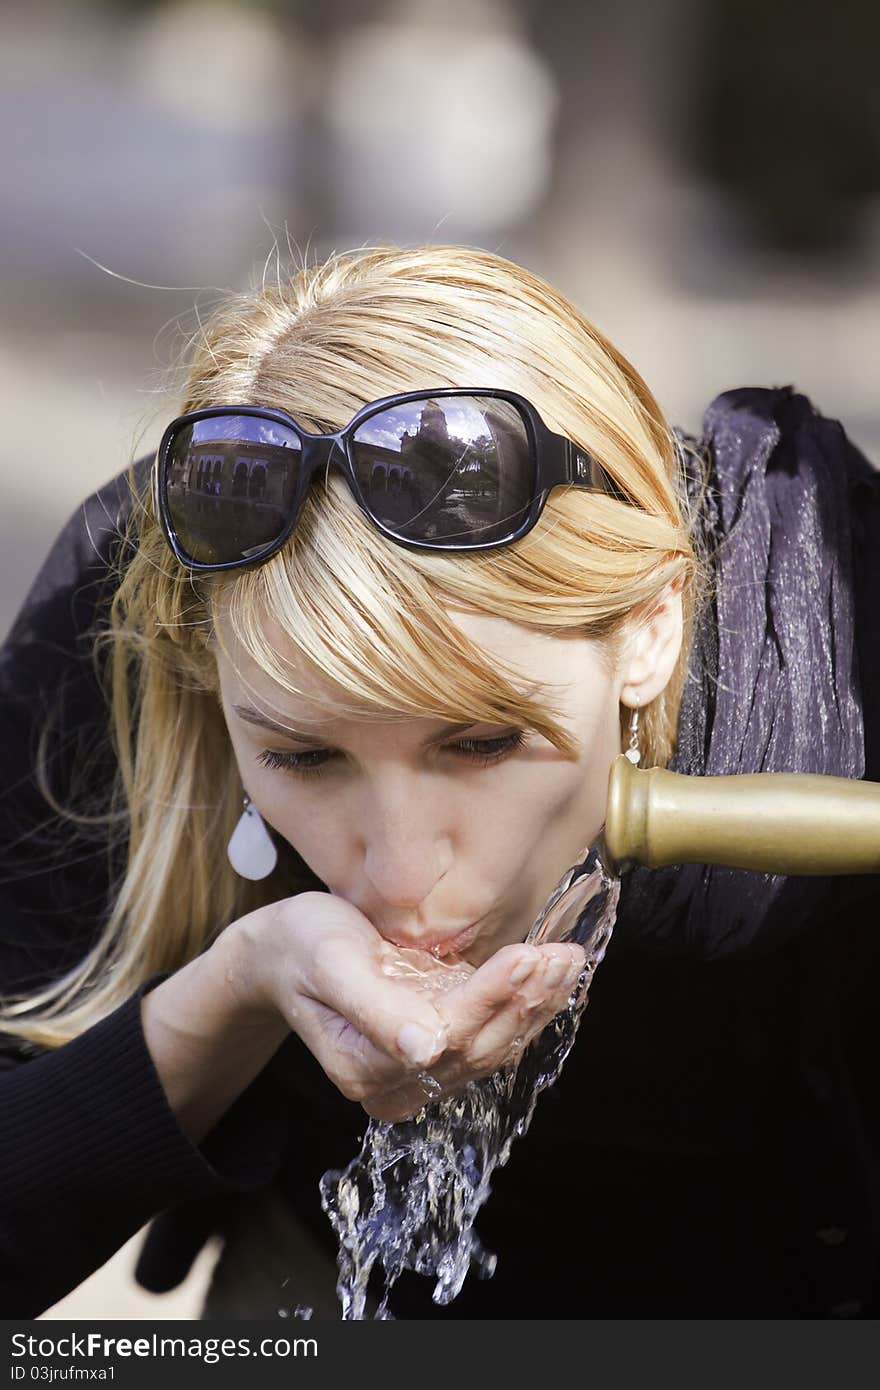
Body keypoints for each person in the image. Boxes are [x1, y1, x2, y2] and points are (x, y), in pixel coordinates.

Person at [1, 244, 879, 1321]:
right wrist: (235, 991)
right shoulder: (125, 621)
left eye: (481, 742)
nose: (405, 873)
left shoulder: (842, 649)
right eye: (304, 755)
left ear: (649, 630)